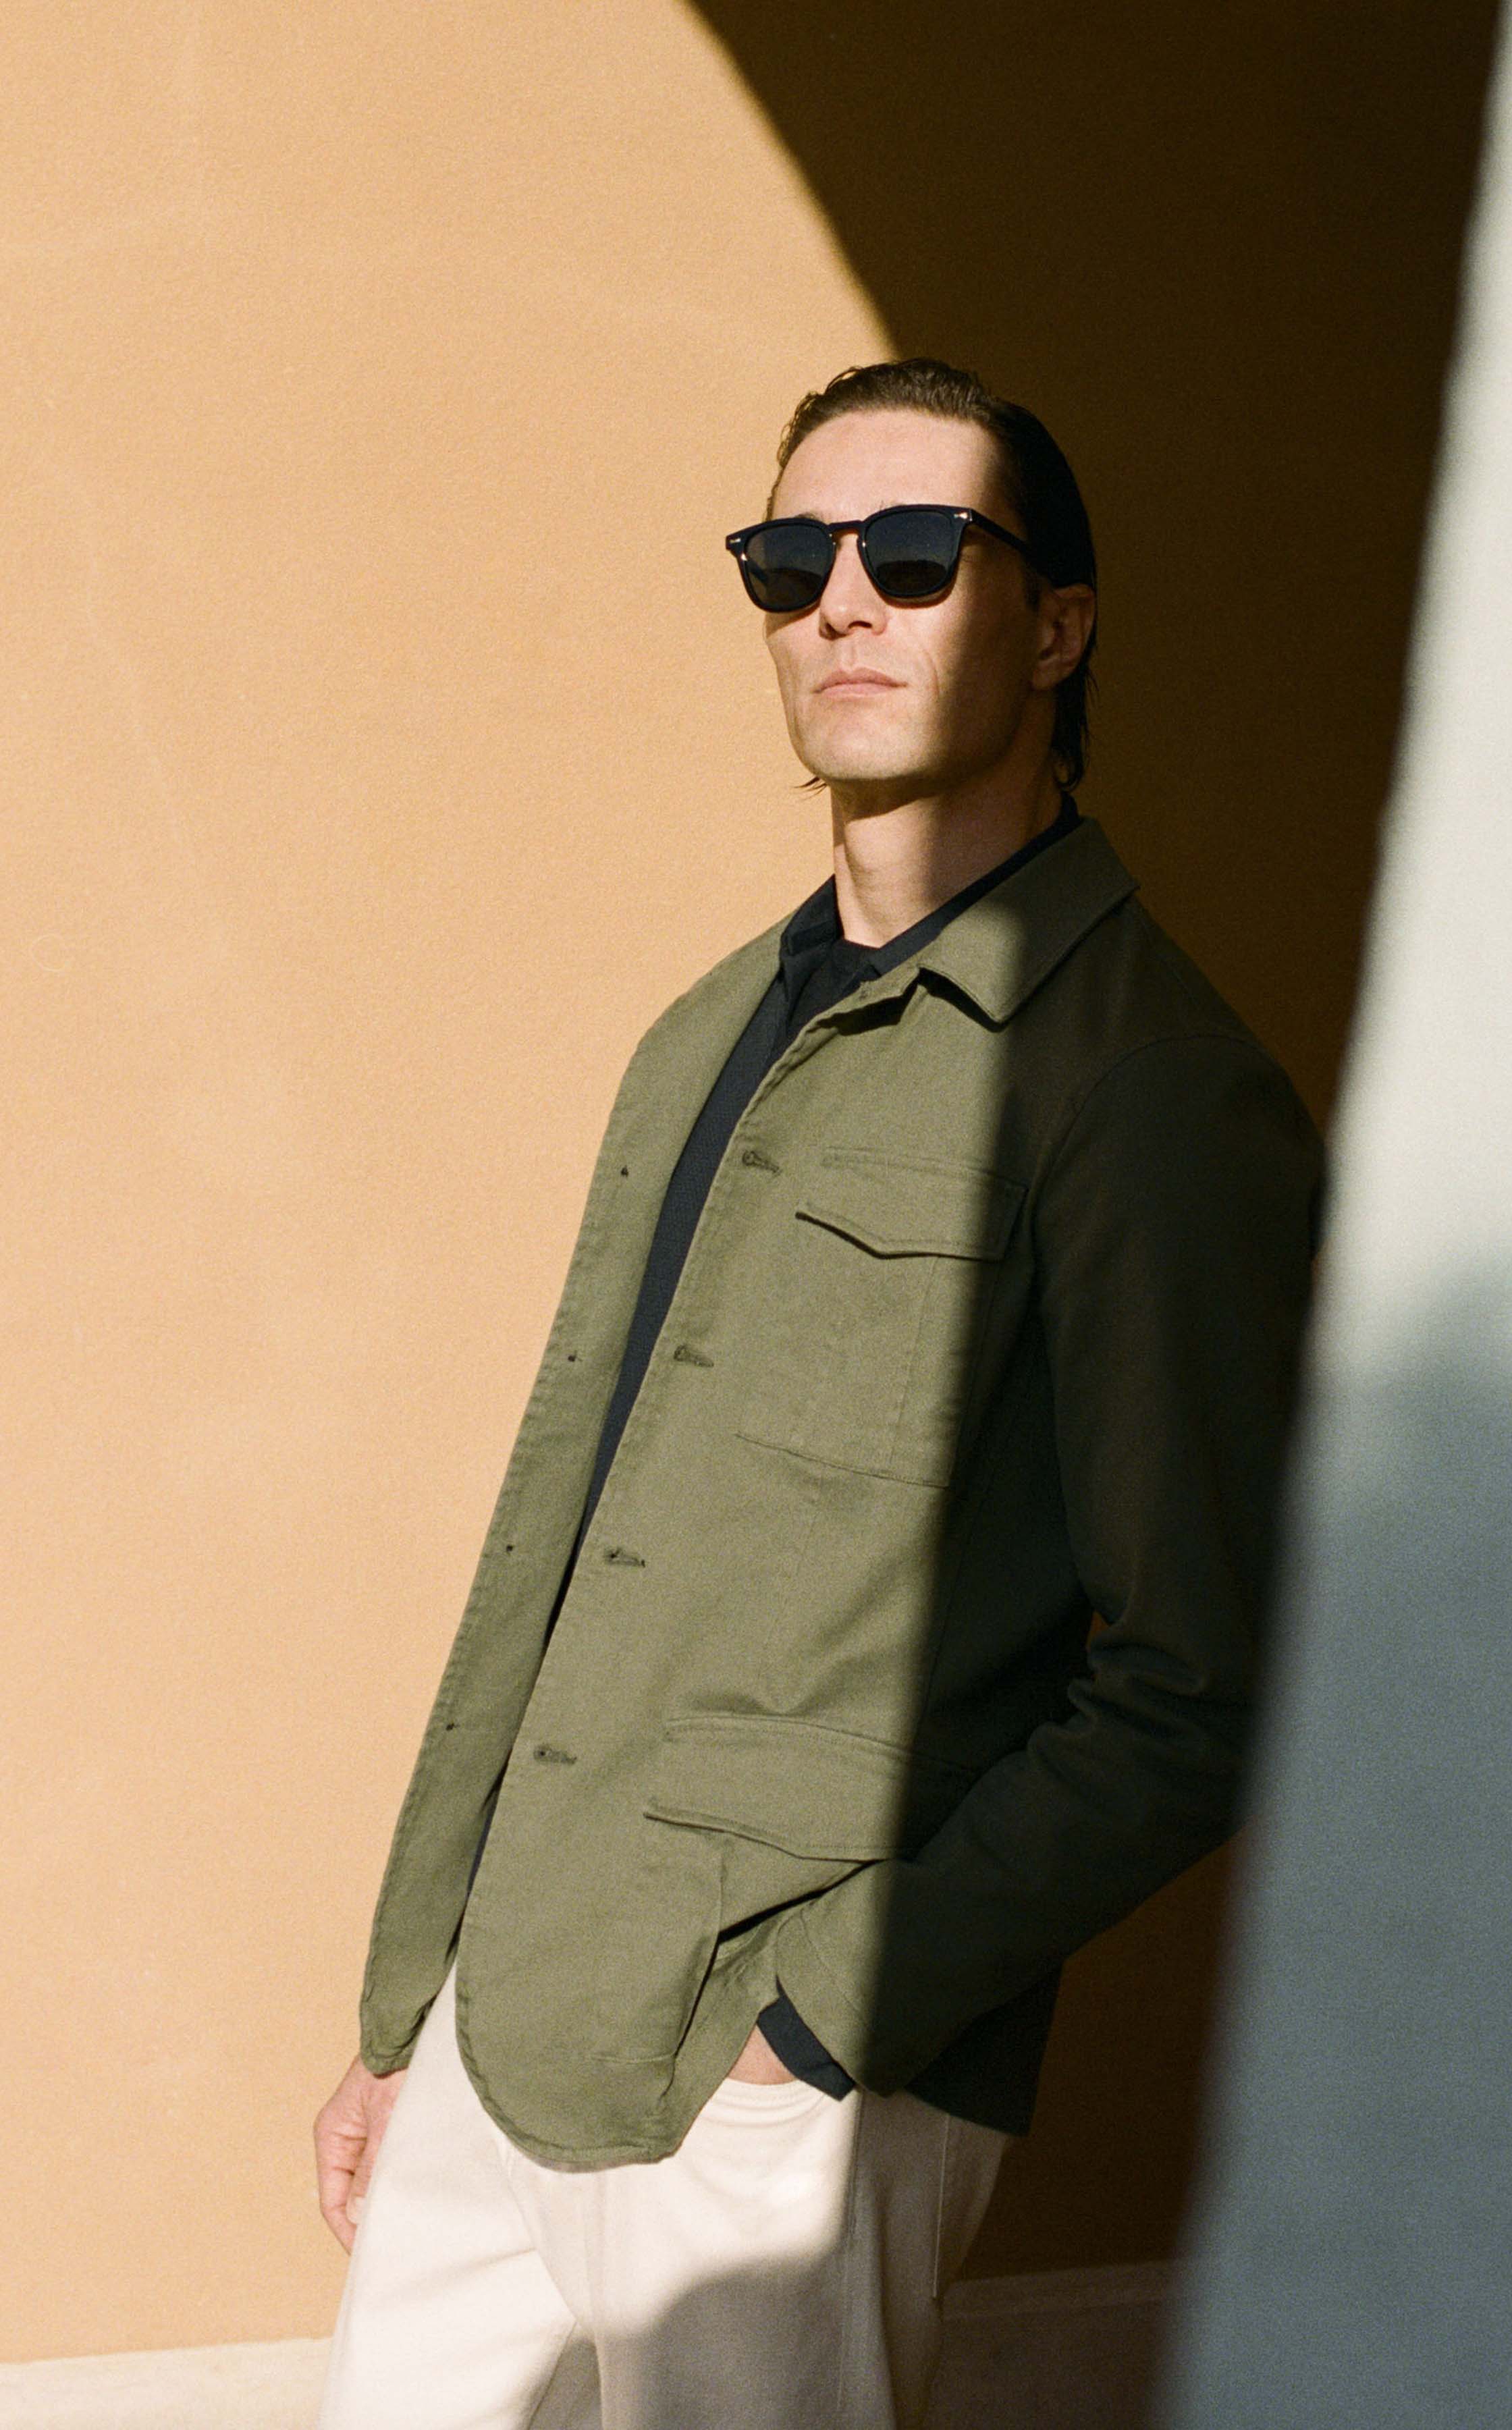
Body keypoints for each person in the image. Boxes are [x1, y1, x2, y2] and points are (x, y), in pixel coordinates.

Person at [312, 357, 1324, 2430]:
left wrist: (818, 2026)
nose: (842, 599)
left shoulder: (1145, 1090)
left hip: (768, 2093)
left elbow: (1205, 1684)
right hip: (505, 2028)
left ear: (1056, 626)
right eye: (791, 559)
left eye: (918, 552)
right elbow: (560, 1535)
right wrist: (410, 1999)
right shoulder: (711, 1030)